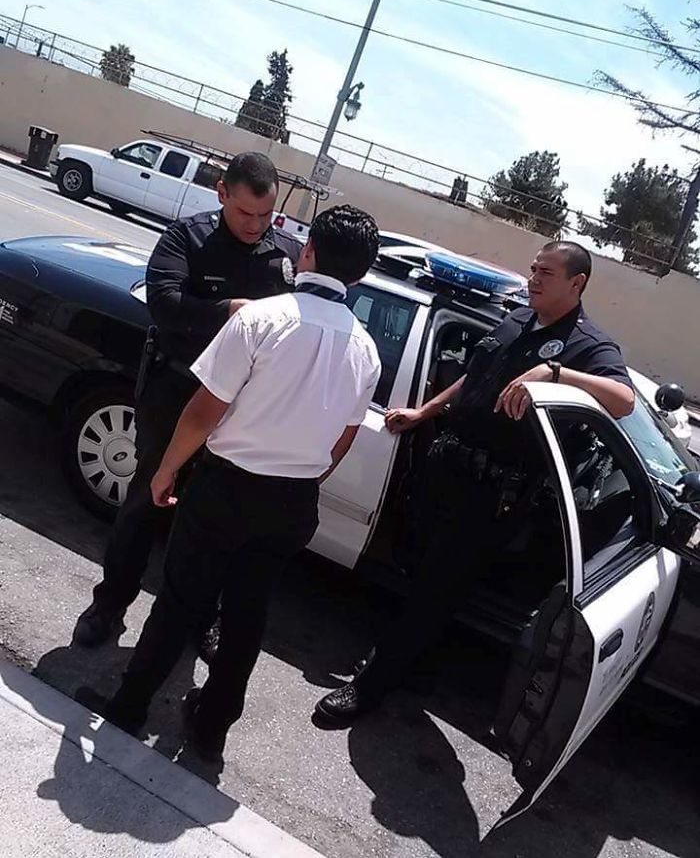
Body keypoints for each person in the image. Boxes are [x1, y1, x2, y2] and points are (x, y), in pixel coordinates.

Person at [89, 205, 381, 759]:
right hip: (293, 502)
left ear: (309, 251)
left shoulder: (263, 318)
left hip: (227, 488)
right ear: (361, 275)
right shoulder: (364, 350)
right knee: (248, 615)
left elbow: (203, 411)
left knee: (179, 601)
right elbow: (341, 442)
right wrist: (301, 475)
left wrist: (167, 469)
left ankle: (130, 705)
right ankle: (211, 729)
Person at [314, 240, 635, 725]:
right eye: (533, 268)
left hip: (491, 496)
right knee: (420, 571)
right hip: (448, 470)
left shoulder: (589, 345)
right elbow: (474, 377)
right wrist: (425, 411)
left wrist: (555, 373)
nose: (534, 278)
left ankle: (372, 684)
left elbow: (624, 400)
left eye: (546, 272)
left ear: (577, 283)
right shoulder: (516, 321)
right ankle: (414, 665)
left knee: (434, 589)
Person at [73, 152, 300, 649]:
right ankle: (109, 604)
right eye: (245, 213)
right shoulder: (187, 238)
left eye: (266, 215)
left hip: (242, 408)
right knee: (144, 501)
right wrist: (230, 311)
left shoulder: (284, 255)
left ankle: (201, 621)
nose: (256, 225)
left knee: (223, 520)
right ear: (222, 193)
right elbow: (165, 305)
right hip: (177, 391)